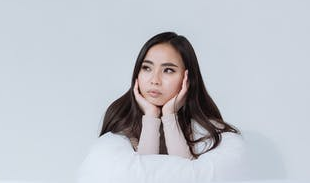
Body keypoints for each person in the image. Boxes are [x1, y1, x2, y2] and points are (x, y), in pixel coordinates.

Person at [77, 32, 248, 183]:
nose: (154, 80)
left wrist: (169, 115)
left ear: (187, 78)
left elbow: (185, 177)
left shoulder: (206, 130)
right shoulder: (121, 117)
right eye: (146, 68)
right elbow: (140, 177)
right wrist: (150, 116)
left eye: (168, 70)